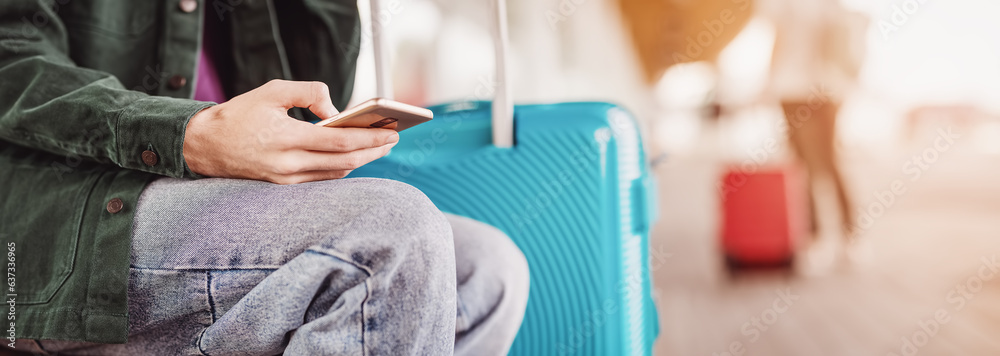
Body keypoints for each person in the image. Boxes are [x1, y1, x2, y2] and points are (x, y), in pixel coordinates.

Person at [0, 0, 529, 355]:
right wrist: (189, 134)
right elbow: (12, 55)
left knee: (487, 268)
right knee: (395, 234)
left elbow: (317, 89)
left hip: (220, 207)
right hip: (67, 215)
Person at [758, 0, 870, 268]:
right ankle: (837, 238)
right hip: (814, 88)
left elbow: (780, 41)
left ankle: (826, 239)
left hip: (809, 88)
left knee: (813, 164)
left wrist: (769, 83)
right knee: (818, 164)